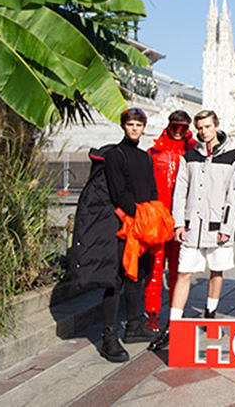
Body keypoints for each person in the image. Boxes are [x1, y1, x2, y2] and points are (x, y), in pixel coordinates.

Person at [149, 110, 235, 351]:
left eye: (208, 126)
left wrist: (227, 227)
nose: (204, 131)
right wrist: (179, 223)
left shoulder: (232, 157)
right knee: (183, 273)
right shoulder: (190, 155)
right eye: (200, 127)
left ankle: (210, 315)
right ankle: (173, 325)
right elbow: (180, 192)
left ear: (216, 126)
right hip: (192, 227)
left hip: (217, 227)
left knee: (216, 271)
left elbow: (234, 196)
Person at [90, 108, 164, 362]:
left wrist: (153, 216)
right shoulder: (115, 154)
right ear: (123, 126)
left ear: (144, 128)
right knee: (116, 278)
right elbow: (118, 193)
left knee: (139, 274)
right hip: (122, 225)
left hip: (142, 225)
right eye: (130, 124)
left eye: (138, 125)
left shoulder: (145, 157)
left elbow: (152, 190)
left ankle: (133, 325)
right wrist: (141, 215)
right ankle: (109, 335)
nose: (134, 128)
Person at [144, 110, 196, 332]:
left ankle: (177, 313)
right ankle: (152, 314)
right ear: (169, 126)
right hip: (159, 218)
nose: (178, 132)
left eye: (183, 128)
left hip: (180, 221)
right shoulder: (153, 152)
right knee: (155, 269)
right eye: (175, 127)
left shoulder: (193, 152)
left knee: (179, 270)